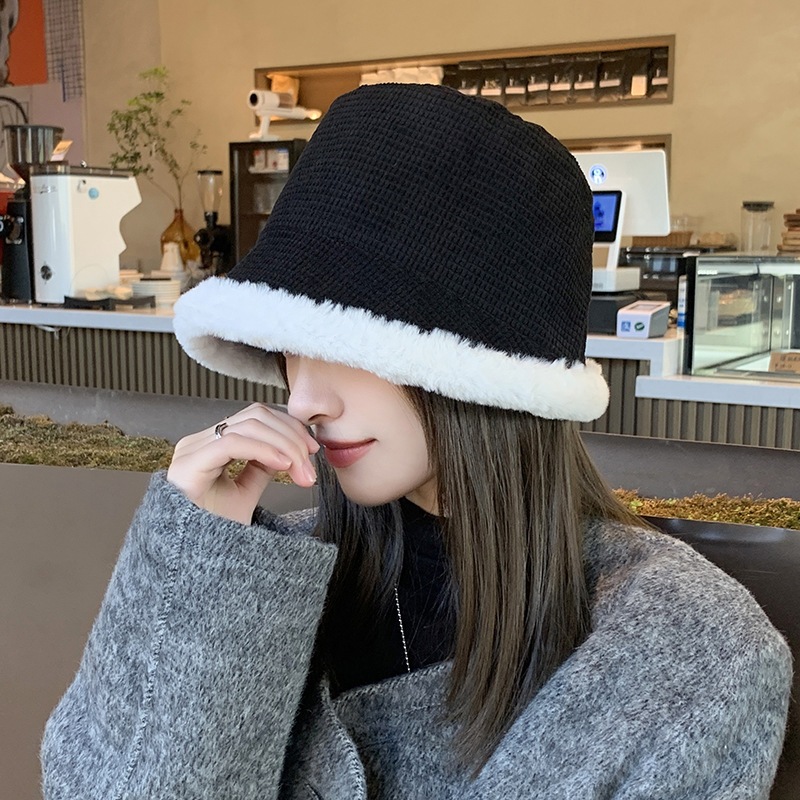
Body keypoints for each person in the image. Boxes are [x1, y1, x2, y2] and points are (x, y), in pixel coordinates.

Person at [41, 84, 791, 799]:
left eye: (348, 347)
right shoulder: (260, 582)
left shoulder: (687, 649)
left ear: (479, 371)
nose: (303, 399)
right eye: (289, 348)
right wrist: (195, 571)